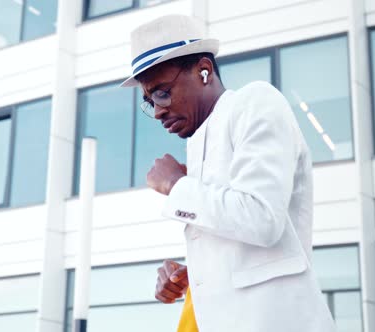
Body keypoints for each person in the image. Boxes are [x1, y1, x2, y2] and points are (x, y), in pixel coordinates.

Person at [120, 14, 336, 331]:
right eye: (149, 101)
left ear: (204, 70)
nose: (157, 111)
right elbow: (242, 248)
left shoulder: (254, 102)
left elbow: (261, 218)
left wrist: (176, 185)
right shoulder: (197, 144)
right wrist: (193, 273)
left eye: (162, 92)